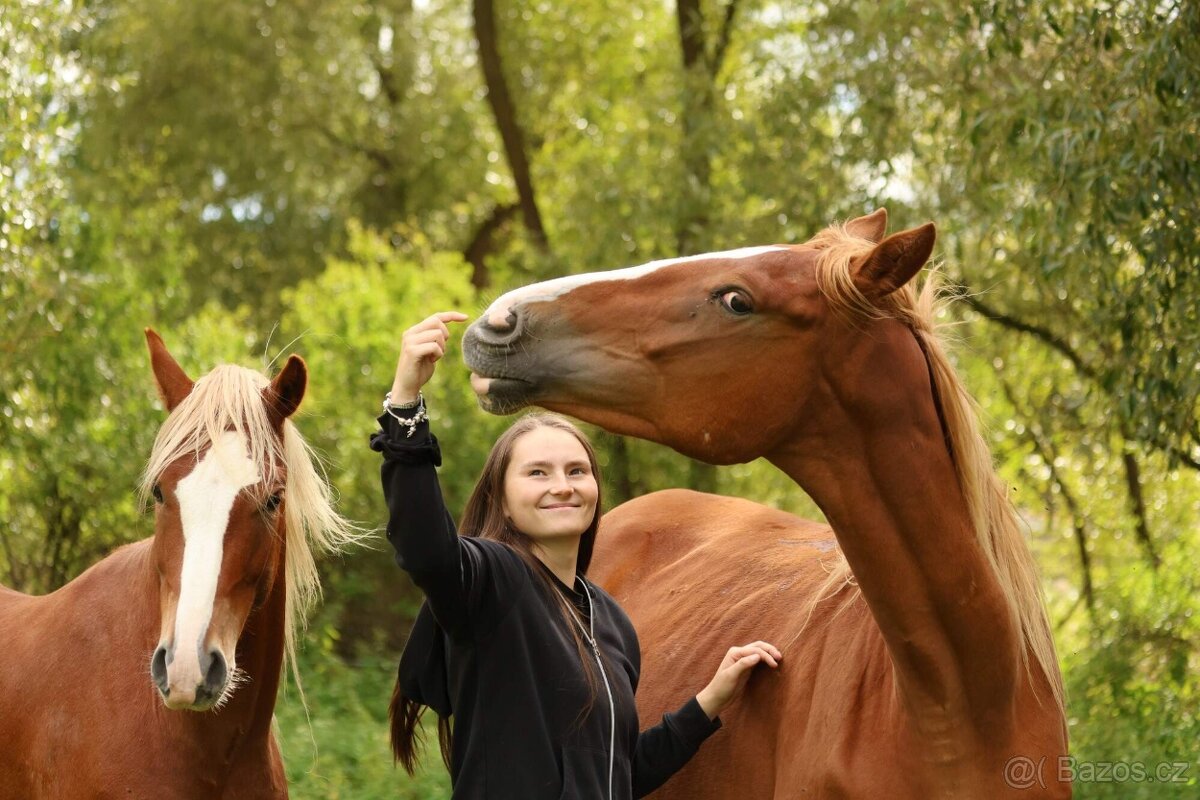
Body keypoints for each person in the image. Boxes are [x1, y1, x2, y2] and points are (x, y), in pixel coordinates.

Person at [372, 311, 782, 799]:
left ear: (594, 488)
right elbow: (425, 550)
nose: (562, 487)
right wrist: (404, 404)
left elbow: (620, 776)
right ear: (502, 498)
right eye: (538, 473)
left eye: (576, 470)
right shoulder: (494, 582)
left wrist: (711, 699)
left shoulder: (610, 621)